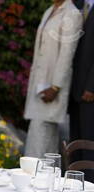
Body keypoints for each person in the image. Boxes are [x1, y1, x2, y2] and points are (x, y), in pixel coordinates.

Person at [24, 0, 82, 158]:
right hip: (39, 83)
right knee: (40, 135)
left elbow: (67, 54)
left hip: (52, 87)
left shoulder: (73, 14)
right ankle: (38, 176)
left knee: (42, 135)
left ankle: (38, 176)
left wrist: (56, 87)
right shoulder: (50, 10)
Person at [69, 0, 94, 181]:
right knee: (75, 142)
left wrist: (91, 87)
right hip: (76, 90)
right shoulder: (78, 6)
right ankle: (74, 185)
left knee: (89, 145)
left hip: (89, 92)